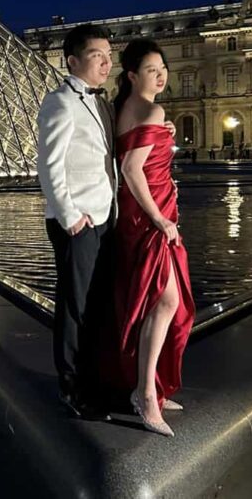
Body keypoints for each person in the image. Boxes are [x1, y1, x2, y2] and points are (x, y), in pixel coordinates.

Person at [106, 39, 195, 438]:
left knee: (152, 301)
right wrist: (160, 219)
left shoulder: (124, 109)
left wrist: (163, 131)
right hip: (151, 218)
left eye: (163, 68)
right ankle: (145, 393)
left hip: (134, 218)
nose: (161, 75)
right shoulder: (152, 109)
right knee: (168, 300)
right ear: (132, 75)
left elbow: (131, 148)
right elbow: (131, 168)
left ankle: (149, 388)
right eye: (152, 69)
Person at [36, 23, 118, 421]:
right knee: (74, 306)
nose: (106, 61)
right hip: (78, 221)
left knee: (96, 304)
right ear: (72, 61)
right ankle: (71, 387)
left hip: (104, 216)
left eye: (108, 54)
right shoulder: (59, 102)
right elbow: (48, 166)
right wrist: (70, 217)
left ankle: (93, 379)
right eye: (96, 55)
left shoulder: (103, 102)